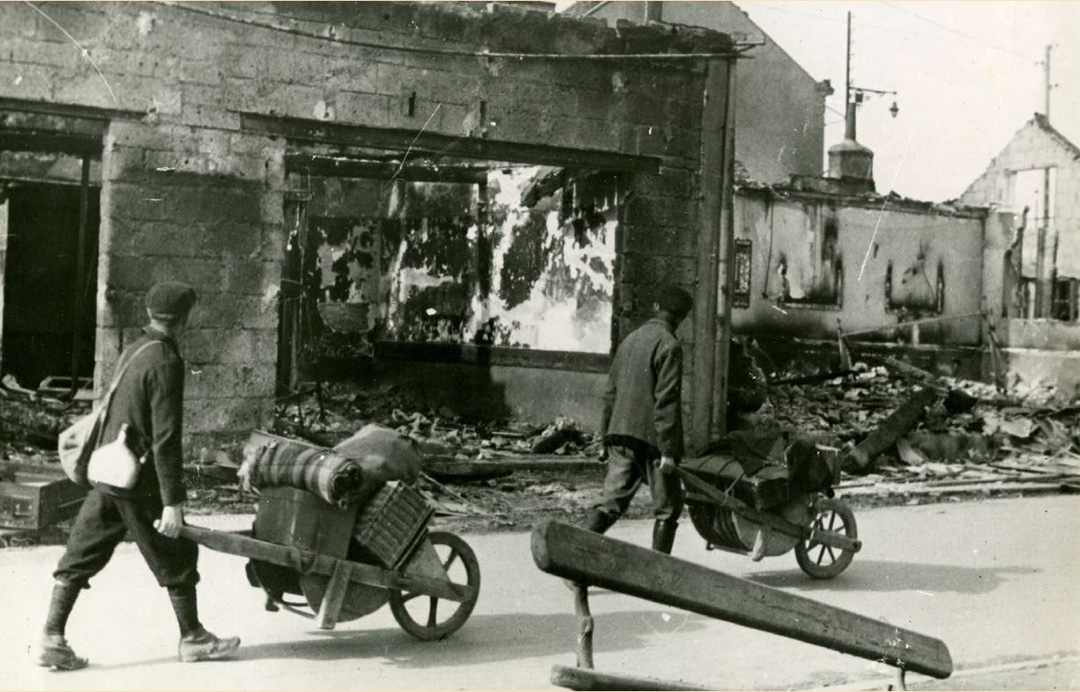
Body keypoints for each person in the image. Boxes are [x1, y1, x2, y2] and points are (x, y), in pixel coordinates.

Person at [37, 281, 240, 670]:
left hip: (108, 472)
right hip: (136, 481)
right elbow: (165, 441)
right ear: (183, 319)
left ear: (151, 314)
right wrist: (172, 503)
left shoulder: (134, 349)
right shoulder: (165, 361)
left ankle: (51, 635)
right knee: (176, 552)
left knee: (82, 551)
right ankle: (193, 638)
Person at [584, 285, 693, 554]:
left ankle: (575, 552)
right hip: (651, 443)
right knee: (668, 508)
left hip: (619, 435)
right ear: (681, 318)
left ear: (657, 308)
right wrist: (668, 451)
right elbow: (666, 402)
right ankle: (657, 575)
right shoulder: (669, 345)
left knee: (610, 503)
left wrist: (603, 438)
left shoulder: (630, 340)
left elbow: (610, 393)